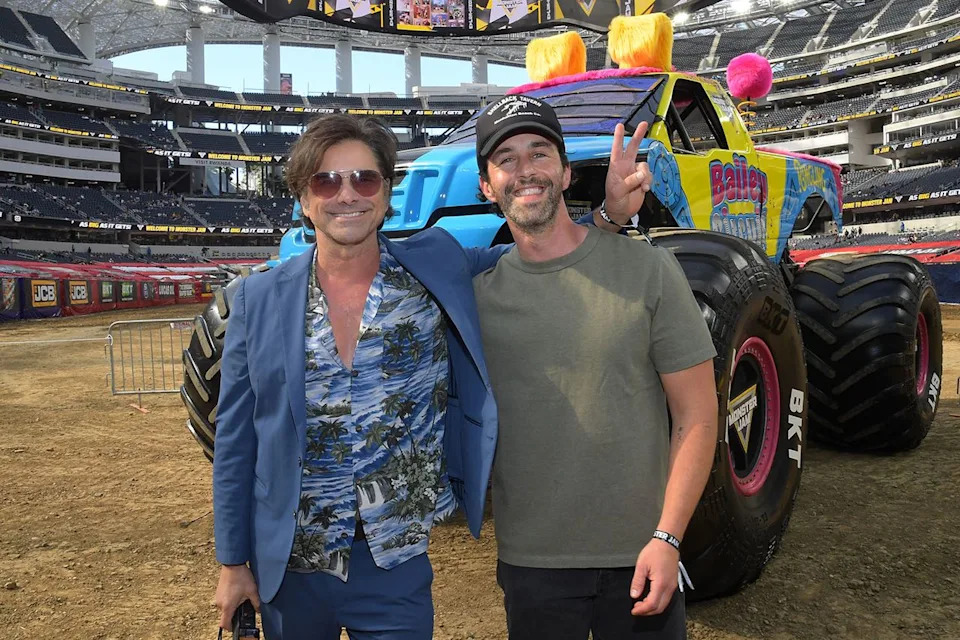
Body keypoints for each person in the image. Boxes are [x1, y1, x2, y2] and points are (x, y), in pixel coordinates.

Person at [212, 112, 651, 639]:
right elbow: (236, 441)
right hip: (292, 567)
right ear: (305, 200)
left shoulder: (433, 264)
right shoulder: (256, 298)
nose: (347, 194)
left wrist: (607, 216)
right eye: (326, 181)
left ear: (385, 194)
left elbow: (531, 253)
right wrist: (233, 563)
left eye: (364, 178)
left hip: (394, 564)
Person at [471, 95, 719, 639]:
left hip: (642, 554)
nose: (525, 171)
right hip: (531, 562)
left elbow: (699, 416)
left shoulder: (648, 268)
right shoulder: (474, 296)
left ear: (564, 171)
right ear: (487, 186)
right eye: (505, 159)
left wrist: (668, 537)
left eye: (540, 153)